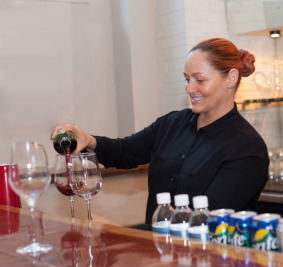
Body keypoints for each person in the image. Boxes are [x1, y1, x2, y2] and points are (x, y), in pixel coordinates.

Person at [51, 38, 269, 226]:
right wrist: (86, 139)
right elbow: (125, 151)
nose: (189, 88)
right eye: (187, 79)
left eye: (199, 79)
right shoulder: (171, 124)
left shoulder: (248, 149)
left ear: (231, 78)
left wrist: (125, 234)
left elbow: (205, 223)